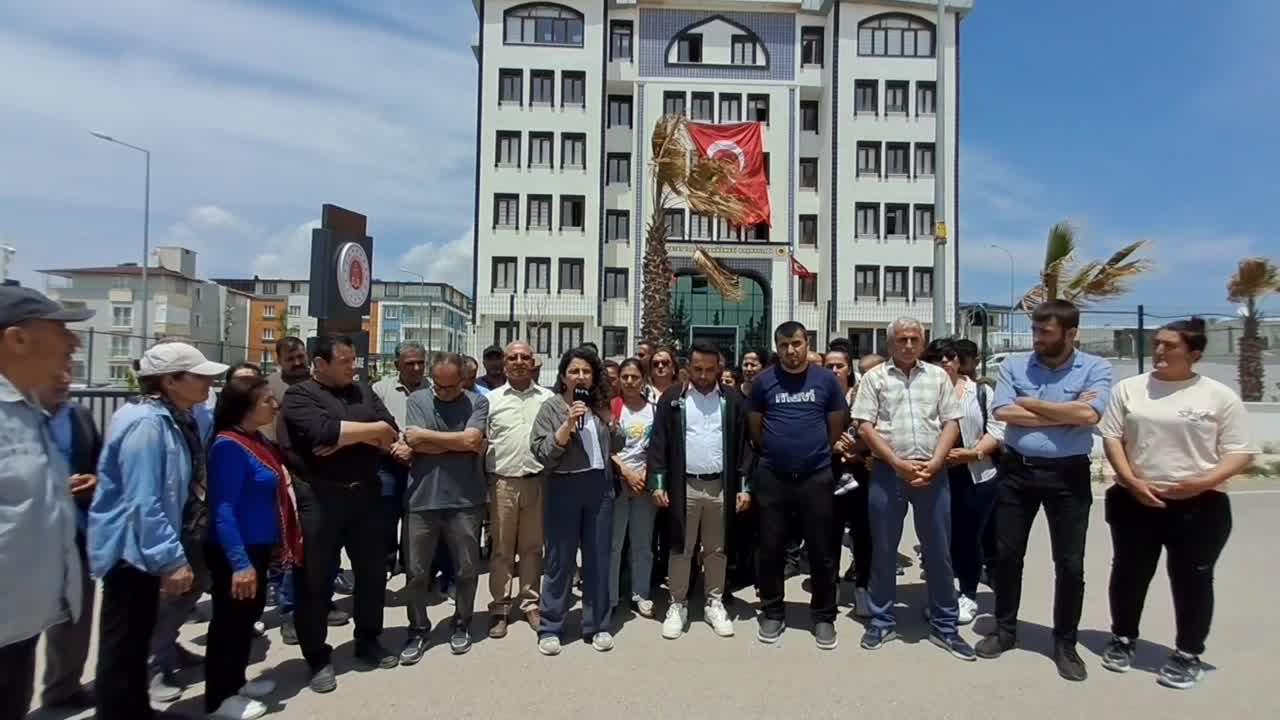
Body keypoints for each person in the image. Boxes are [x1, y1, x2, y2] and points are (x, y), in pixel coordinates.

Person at [1098, 318, 1256, 689]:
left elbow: (1240, 453)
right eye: (1157, 343)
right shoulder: (1130, 389)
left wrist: (1204, 482)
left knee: (1192, 580)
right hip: (1135, 499)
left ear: (1194, 354)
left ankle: (1188, 653)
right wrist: (1130, 480)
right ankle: (1122, 639)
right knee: (1128, 573)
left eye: (1170, 346)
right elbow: (1112, 438)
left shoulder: (1219, 396)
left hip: (1200, 505)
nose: (1159, 351)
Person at [976, 300, 1113, 682]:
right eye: (1035, 331)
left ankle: (1065, 643)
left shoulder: (1096, 367)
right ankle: (1005, 631)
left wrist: (1031, 403)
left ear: (1071, 334)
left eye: (1046, 332)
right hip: (1016, 473)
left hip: (1068, 477)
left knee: (1069, 564)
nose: (1037, 339)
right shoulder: (1015, 365)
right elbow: (1003, 412)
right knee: (1006, 556)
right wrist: (1065, 411)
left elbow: (1090, 416)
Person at [90, 342, 225, 720]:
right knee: (124, 647)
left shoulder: (171, 417)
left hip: (142, 551)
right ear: (169, 381)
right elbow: (144, 501)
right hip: (131, 554)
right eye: (199, 377)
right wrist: (171, 558)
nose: (208, 383)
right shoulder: (147, 425)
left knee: (132, 644)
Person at [282, 334, 400, 693]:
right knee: (315, 581)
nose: (354, 366)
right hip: (319, 498)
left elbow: (390, 430)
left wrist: (351, 436)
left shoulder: (363, 391)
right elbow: (321, 431)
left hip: (365, 495)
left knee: (371, 573)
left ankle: (368, 639)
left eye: (354, 360)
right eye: (346, 361)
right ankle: (317, 656)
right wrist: (371, 431)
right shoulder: (299, 395)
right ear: (320, 365)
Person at [851, 319, 972, 660]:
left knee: (938, 551)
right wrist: (897, 463)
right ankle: (882, 620)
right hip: (889, 472)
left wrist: (936, 462)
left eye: (913, 339)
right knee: (884, 549)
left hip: (933, 472)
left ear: (922, 343)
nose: (907, 344)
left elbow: (951, 421)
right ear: (890, 344)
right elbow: (865, 426)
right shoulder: (874, 379)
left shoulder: (937, 378)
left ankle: (946, 625)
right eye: (901, 339)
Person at [0, 287, 90, 720]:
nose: (74, 343)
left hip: (19, 630)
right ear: (16, 340)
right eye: (60, 331)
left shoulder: (29, 412)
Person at [205, 376, 302, 720]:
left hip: (259, 547)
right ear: (246, 407)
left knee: (246, 620)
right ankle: (219, 697)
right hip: (237, 551)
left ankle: (237, 681)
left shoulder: (256, 440)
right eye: (267, 401)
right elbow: (224, 510)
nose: (275, 406)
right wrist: (240, 564)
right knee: (228, 625)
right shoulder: (229, 446)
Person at [748, 321, 847, 649]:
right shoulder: (763, 382)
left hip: (816, 476)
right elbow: (756, 429)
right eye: (784, 345)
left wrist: (813, 452)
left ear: (807, 344)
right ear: (777, 348)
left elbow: (835, 425)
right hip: (773, 477)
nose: (790, 351)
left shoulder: (826, 381)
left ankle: (823, 616)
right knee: (771, 548)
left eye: (796, 344)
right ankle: (773, 611)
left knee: (821, 550)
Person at [650, 344, 752, 640]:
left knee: (717, 549)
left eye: (709, 369)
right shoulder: (673, 399)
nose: (704, 375)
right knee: (681, 547)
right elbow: (659, 445)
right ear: (688, 367)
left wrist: (744, 487)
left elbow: (745, 446)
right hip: (685, 487)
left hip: (720, 486)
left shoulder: (732, 400)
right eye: (698, 369)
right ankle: (677, 604)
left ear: (718, 368)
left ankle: (714, 602)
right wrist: (658, 483)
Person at [530, 347, 623, 656]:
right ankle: (551, 626)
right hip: (564, 487)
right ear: (563, 377)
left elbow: (618, 444)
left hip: (599, 487)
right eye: (574, 371)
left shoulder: (599, 406)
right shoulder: (552, 408)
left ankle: (597, 625)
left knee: (598, 558)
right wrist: (567, 425)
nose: (580, 376)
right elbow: (542, 452)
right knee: (560, 560)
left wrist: (611, 422)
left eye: (586, 371)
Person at [400, 353, 489, 662]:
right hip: (421, 500)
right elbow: (415, 442)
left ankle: (462, 622)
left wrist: (428, 438)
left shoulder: (477, 403)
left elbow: (472, 441)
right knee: (415, 572)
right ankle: (418, 628)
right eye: (438, 385)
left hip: (465, 501)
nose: (443, 392)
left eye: (450, 387)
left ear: (463, 381)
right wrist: (457, 442)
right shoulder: (418, 398)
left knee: (466, 569)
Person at [924, 338, 1006, 626]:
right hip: (936, 475)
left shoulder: (980, 391)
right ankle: (943, 595)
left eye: (950, 357)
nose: (945, 362)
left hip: (977, 475)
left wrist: (974, 453)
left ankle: (968, 593)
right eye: (938, 358)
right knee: (939, 540)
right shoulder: (923, 392)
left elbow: (997, 428)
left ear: (959, 362)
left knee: (968, 539)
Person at [37, 363, 101, 711]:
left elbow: (100, 462)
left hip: (76, 531)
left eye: (66, 372)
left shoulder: (80, 415)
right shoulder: (12, 420)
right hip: (27, 538)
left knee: (75, 614)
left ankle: (63, 688)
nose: (63, 379)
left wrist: (94, 480)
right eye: (54, 372)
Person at [485, 342, 554, 638]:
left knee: (532, 548)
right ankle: (500, 607)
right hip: (503, 483)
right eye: (513, 357)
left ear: (534, 362)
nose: (519, 362)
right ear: (504, 363)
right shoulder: (490, 400)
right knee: (501, 549)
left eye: (525, 357)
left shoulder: (548, 399)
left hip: (538, 482)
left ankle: (530, 604)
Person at [371, 342, 427, 578]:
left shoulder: (433, 389)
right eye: (410, 363)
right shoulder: (380, 390)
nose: (416, 368)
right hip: (388, 463)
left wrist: (414, 450)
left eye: (420, 363)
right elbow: (373, 427)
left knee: (416, 517)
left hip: (422, 462)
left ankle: (411, 565)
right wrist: (396, 449)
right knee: (386, 514)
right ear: (397, 365)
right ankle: (386, 562)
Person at [608, 359, 658, 620]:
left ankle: (641, 594)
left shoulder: (654, 410)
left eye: (634, 376)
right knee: (614, 544)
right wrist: (625, 472)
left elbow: (660, 448)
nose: (629, 381)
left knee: (642, 544)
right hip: (616, 484)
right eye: (625, 376)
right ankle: (611, 596)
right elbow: (605, 447)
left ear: (643, 379)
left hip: (643, 486)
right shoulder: (612, 408)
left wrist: (644, 476)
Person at [826, 348, 873, 617]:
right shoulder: (819, 395)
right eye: (829, 366)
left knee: (863, 535)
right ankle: (830, 586)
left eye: (839, 366)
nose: (834, 371)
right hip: (829, 475)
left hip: (862, 474)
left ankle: (862, 589)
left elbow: (879, 429)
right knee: (828, 536)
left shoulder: (863, 395)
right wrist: (832, 446)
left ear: (849, 370)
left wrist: (859, 449)